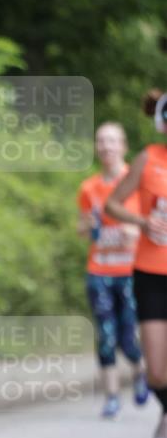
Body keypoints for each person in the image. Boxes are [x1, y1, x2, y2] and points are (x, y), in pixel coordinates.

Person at [105, 89, 167, 438]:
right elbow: (112, 204)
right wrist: (142, 221)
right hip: (151, 273)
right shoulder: (148, 159)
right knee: (157, 372)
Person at [76, 122, 146, 418]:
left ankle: (142, 370)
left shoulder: (139, 182)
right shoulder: (89, 188)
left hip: (131, 270)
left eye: (112, 141)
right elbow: (81, 227)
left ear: (123, 146)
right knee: (106, 334)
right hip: (100, 270)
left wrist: (135, 232)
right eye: (101, 141)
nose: (106, 146)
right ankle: (112, 397)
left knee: (128, 336)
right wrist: (88, 226)